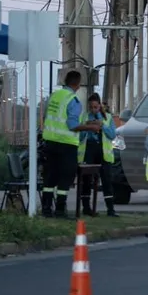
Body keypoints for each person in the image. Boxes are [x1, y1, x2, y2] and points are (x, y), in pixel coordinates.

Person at [41, 70, 102, 219]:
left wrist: (85, 124)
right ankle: (60, 210)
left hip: (50, 142)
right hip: (66, 144)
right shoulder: (73, 100)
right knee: (65, 178)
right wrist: (91, 127)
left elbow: (48, 117)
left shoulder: (54, 96)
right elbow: (72, 125)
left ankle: (46, 209)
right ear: (78, 84)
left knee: (50, 177)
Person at [77, 93, 120, 217]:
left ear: (100, 105)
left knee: (106, 180)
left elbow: (112, 135)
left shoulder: (108, 118)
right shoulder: (85, 116)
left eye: (95, 107)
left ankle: (110, 209)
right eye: (91, 107)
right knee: (86, 180)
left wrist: (102, 125)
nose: (93, 109)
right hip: (88, 151)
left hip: (103, 153)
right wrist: (87, 127)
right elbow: (79, 138)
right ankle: (86, 208)